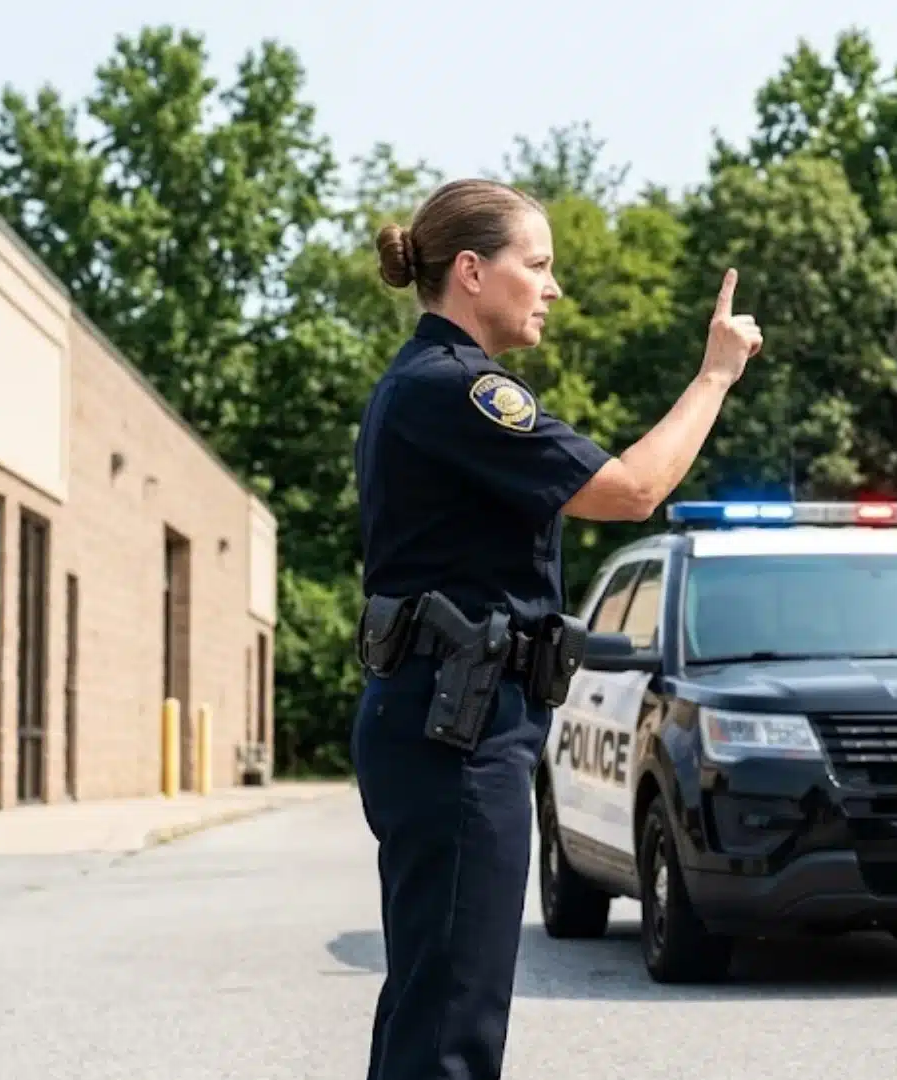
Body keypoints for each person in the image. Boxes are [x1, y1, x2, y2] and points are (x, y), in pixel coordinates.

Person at [348, 177, 762, 1080]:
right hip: (457, 732)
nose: (552, 286)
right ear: (470, 272)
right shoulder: (461, 391)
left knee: (432, 1003)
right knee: (450, 1025)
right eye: (536, 264)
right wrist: (715, 375)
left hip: (441, 719)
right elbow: (632, 491)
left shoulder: (421, 385)